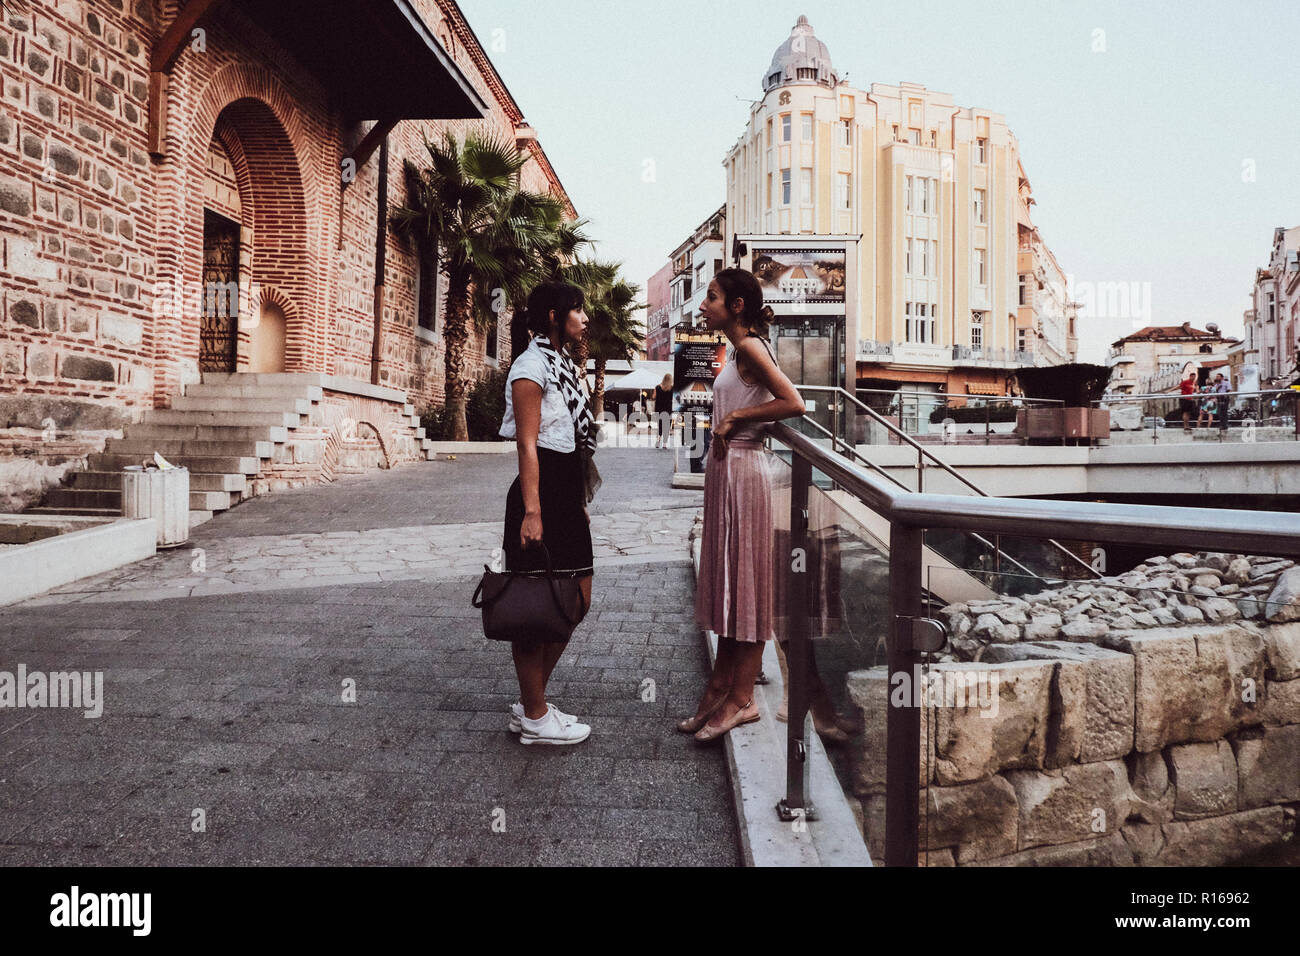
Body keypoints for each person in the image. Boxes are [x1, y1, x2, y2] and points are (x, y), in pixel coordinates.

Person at [681, 269, 805, 742]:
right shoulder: (738, 350)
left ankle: (742, 699)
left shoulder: (752, 347)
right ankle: (721, 686)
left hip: (745, 474)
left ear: (736, 305)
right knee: (733, 580)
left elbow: (794, 402)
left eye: (711, 297)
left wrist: (736, 417)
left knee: (747, 584)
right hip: (728, 475)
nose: (703, 305)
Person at [497, 281, 597, 746]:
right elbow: (527, 443)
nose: (584, 318)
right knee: (534, 605)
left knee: (576, 600)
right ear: (554, 316)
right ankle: (535, 714)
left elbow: (574, 441)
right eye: (576, 310)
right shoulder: (530, 367)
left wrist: (576, 500)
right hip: (539, 496)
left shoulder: (562, 365)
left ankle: (530, 702)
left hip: (564, 493)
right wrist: (533, 512)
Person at [653, 373, 674, 448]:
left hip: (659, 409)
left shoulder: (657, 387)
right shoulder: (672, 388)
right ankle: (664, 444)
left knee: (660, 426)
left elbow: (653, 397)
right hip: (668, 409)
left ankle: (658, 442)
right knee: (667, 427)